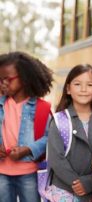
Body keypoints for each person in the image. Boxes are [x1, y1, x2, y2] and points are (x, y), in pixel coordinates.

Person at [0, 51, 53, 202]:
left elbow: (51, 138)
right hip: (1, 173)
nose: (2, 83)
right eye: (0, 79)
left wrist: (29, 149)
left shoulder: (41, 108)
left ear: (24, 78)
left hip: (29, 173)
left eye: (7, 79)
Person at [47, 64, 92, 201]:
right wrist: (77, 183)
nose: (83, 89)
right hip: (63, 190)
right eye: (77, 84)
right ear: (68, 89)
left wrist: (90, 182)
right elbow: (56, 159)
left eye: (90, 85)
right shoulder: (59, 120)